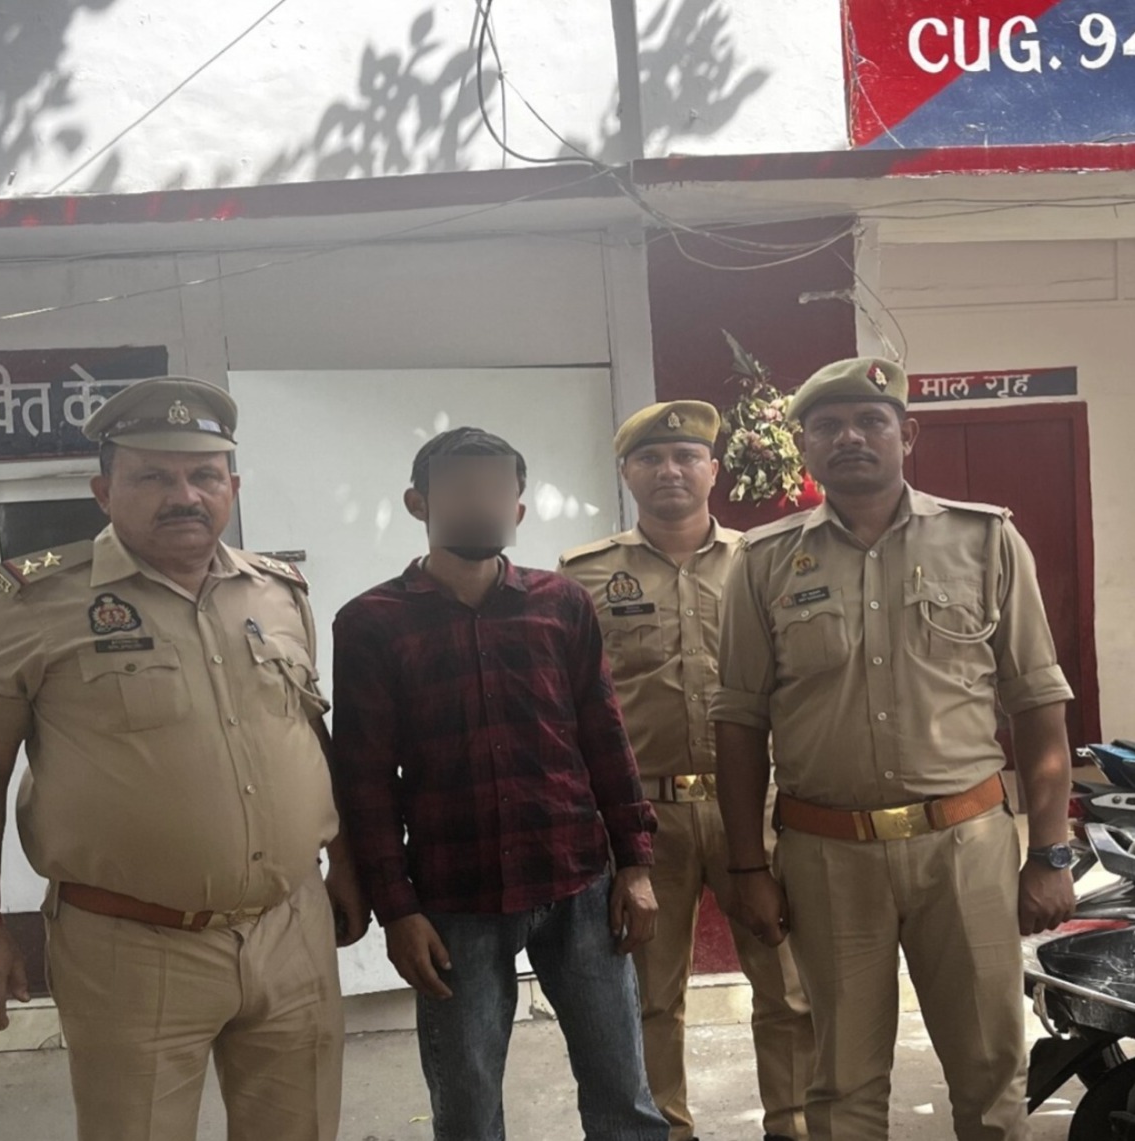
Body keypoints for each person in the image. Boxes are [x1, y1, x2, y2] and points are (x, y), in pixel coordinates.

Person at [0, 376, 367, 1141]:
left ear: (232, 488)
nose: (183, 495)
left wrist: (344, 863)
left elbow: (305, 733)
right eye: (153, 475)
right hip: (129, 943)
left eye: (203, 475)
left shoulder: (279, 593)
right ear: (103, 491)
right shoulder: (30, 603)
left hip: (291, 928)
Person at [711, 357, 1076, 1141]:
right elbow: (738, 722)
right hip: (826, 855)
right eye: (828, 425)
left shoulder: (986, 540)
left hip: (965, 847)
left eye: (870, 421)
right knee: (841, 1082)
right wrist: (747, 866)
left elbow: (1037, 701)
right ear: (806, 446)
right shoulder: (765, 561)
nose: (850, 436)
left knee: (991, 1072)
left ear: (906, 435)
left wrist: (1051, 852)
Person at [331, 426, 669, 1141]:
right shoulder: (370, 624)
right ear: (419, 502)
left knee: (624, 1096)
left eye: (496, 490)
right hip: (454, 899)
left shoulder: (561, 604)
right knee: (467, 1108)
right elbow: (363, 780)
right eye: (460, 488)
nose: (480, 502)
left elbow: (605, 737)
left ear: (517, 507)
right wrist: (398, 910)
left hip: (578, 884)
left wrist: (635, 865)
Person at [560, 400, 812, 1141]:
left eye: (686, 457)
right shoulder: (583, 577)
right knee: (647, 994)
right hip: (642, 817)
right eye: (651, 458)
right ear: (627, 472)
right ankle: (665, 1128)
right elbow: (567, 704)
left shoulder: (765, 561)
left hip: (755, 806)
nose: (669, 470)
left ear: (713, 469)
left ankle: (794, 1123)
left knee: (789, 986)